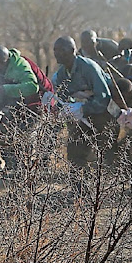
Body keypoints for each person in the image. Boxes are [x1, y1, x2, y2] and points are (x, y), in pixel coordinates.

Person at [51, 36, 114, 166]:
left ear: (72, 50)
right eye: (55, 50)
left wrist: (82, 109)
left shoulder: (88, 67)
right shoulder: (62, 73)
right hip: (83, 117)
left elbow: (103, 97)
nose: (57, 53)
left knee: (109, 153)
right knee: (74, 151)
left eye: (61, 50)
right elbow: (63, 97)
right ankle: (81, 185)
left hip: (106, 114)